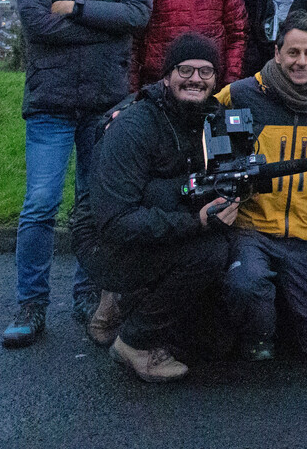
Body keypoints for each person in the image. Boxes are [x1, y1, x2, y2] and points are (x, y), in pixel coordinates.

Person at [5, 0, 154, 347]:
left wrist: (77, 8)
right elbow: (37, 23)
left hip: (104, 108)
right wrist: (103, 26)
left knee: (94, 207)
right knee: (40, 205)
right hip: (50, 103)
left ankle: (88, 295)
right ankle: (31, 304)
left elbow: (138, 16)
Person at [88, 34, 237, 382]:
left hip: (164, 228)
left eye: (205, 71)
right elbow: (114, 222)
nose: (195, 79)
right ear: (166, 76)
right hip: (109, 242)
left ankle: (128, 303)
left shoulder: (215, 118)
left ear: (216, 80)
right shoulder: (134, 125)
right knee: (210, 252)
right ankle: (135, 341)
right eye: (185, 69)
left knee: (215, 344)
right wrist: (195, 221)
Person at [218, 10, 307, 362]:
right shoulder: (242, 93)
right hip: (253, 231)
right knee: (245, 284)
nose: (301, 62)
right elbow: (191, 106)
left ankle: (288, 318)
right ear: (277, 52)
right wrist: (132, 106)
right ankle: (259, 333)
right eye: (292, 52)